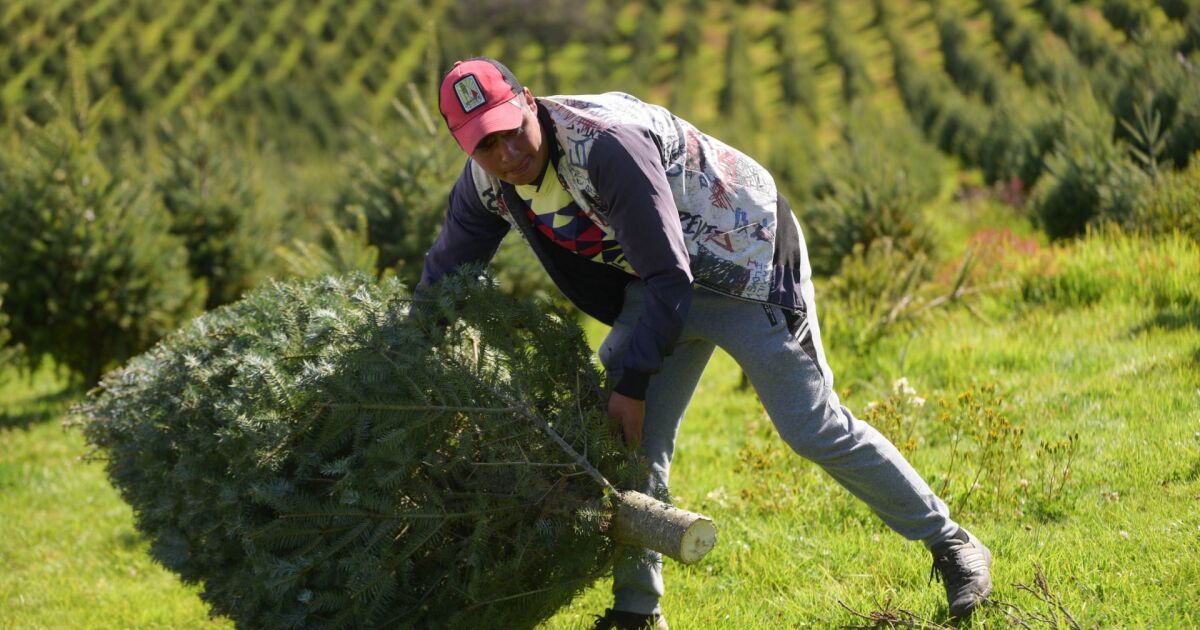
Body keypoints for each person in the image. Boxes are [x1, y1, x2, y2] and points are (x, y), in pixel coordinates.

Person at [419, 57, 993, 629]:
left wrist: (634, 384)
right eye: (485, 144)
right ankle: (638, 612)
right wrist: (404, 351)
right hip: (656, 281)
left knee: (812, 426)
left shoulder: (606, 146)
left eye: (512, 129)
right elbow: (445, 275)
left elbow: (672, 275)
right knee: (626, 444)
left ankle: (953, 544)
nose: (507, 153)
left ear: (528, 100)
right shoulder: (487, 185)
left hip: (746, 261)